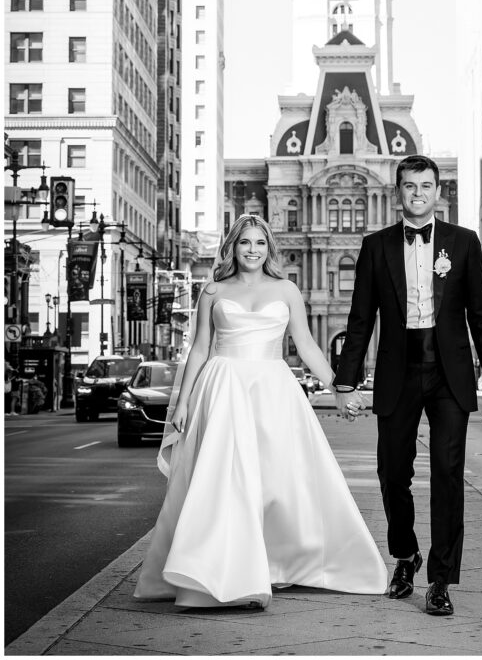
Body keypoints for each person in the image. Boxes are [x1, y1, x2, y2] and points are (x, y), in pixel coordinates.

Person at [135, 213, 387, 609]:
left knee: (276, 482)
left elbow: (306, 345)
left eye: (259, 243)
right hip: (223, 387)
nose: (252, 250)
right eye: (244, 242)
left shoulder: (286, 289)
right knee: (226, 483)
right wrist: (183, 402)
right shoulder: (213, 290)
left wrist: (339, 387)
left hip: (273, 389)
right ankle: (227, 574)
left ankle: (275, 564)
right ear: (232, 247)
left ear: (269, 248)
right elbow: (200, 348)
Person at [333, 155, 482, 617]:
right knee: (393, 474)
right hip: (398, 369)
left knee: (448, 475)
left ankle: (441, 579)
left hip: (450, 373)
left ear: (437, 192)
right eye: (409, 186)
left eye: (426, 186)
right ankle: (405, 556)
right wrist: (346, 382)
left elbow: (481, 316)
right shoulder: (376, 246)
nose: (418, 194)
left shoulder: (463, 243)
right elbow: (361, 318)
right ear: (399, 193)